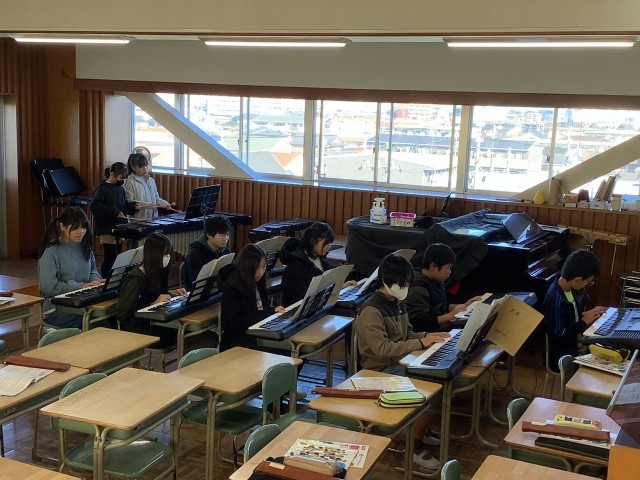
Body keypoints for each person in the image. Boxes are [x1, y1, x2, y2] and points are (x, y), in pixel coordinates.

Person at [354, 253, 450, 471]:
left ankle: (420, 430)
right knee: (431, 386)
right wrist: (421, 343)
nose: (406, 287)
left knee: (436, 379)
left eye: (407, 282)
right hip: (379, 370)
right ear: (386, 280)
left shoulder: (397, 303)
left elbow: (407, 335)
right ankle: (414, 445)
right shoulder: (371, 310)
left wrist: (429, 337)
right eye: (403, 283)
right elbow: (382, 349)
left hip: (399, 361)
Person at [115, 233, 187, 347]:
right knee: (191, 337)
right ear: (153, 254)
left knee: (198, 334)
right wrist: (152, 304)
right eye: (164, 254)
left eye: (169, 254)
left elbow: (152, 296)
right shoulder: (135, 279)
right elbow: (123, 315)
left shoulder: (157, 272)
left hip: (155, 323)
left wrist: (170, 294)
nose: (167, 257)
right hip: (139, 329)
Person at [37, 207, 103, 329]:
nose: (81, 231)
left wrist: (96, 281)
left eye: (83, 227)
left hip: (82, 301)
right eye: (75, 228)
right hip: (56, 309)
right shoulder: (51, 252)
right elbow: (50, 287)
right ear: (62, 226)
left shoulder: (85, 247)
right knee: (97, 320)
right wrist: (81, 286)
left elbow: (93, 271)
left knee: (109, 314)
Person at [543, 249, 606, 372]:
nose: (588, 284)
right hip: (563, 357)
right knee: (602, 368)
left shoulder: (571, 289)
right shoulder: (556, 298)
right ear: (577, 279)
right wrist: (583, 322)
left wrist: (589, 314)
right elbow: (558, 335)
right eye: (588, 281)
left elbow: (569, 316)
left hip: (576, 348)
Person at [217, 244, 284, 351]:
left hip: (257, 332)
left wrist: (272, 310)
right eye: (256, 267)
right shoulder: (232, 288)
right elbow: (238, 321)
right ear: (247, 267)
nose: (261, 272)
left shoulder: (258, 282)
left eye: (263, 267)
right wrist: (269, 313)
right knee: (285, 352)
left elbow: (260, 309)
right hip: (238, 341)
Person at [405, 243, 481, 332]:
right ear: (434, 266)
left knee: (476, 322)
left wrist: (465, 306)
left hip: (440, 327)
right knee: (473, 326)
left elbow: (439, 307)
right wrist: (450, 316)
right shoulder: (418, 288)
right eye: (448, 268)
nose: (450, 271)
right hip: (429, 333)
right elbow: (418, 323)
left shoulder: (436, 279)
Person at [279, 221, 355, 306]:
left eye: (330, 243)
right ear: (312, 240)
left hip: (319, 303)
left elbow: (326, 285)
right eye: (326, 243)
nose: (328, 246)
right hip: (303, 307)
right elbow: (299, 299)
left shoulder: (321, 258)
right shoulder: (296, 265)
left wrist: (340, 287)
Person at [90, 162, 137, 277]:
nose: (122, 181)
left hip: (118, 227)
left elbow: (123, 206)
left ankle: (114, 280)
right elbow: (95, 206)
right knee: (110, 257)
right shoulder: (102, 188)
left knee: (117, 257)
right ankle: (105, 280)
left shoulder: (120, 188)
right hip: (107, 228)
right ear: (112, 174)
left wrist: (134, 206)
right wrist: (114, 211)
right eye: (121, 178)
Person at [183, 215, 231, 290]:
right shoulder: (195, 255)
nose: (225, 238)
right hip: (199, 293)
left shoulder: (225, 251)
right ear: (208, 235)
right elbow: (196, 282)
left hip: (220, 290)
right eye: (221, 235)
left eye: (227, 234)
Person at [123, 152, 174, 220]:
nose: (145, 169)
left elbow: (156, 198)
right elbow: (130, 202)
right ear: (133, 167)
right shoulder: (129, 182)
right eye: (141, 167)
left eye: (146, 165)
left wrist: (165, 204)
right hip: (138, 220)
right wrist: (147, 205)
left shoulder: (151, 180)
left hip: (153, 219)